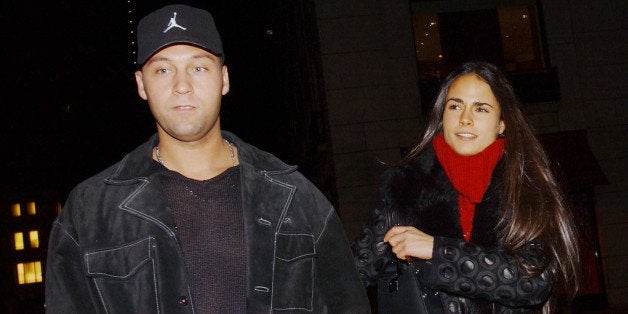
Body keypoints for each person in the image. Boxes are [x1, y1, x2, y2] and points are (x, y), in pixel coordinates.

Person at [45, 4, 370, 313]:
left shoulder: (296, 200)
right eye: (162, 70)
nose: (182, 85)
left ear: (224, 78)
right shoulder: (90, 213)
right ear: (141, 85)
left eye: (198, 67)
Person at [353, 62, 580, 313]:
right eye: (455, 106)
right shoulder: (405, 190)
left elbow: (533, 280)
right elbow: (350, 275)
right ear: (442, 116)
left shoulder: (524, 189)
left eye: (481, 109)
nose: (465, 119)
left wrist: (437, 251)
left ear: (502, 122)